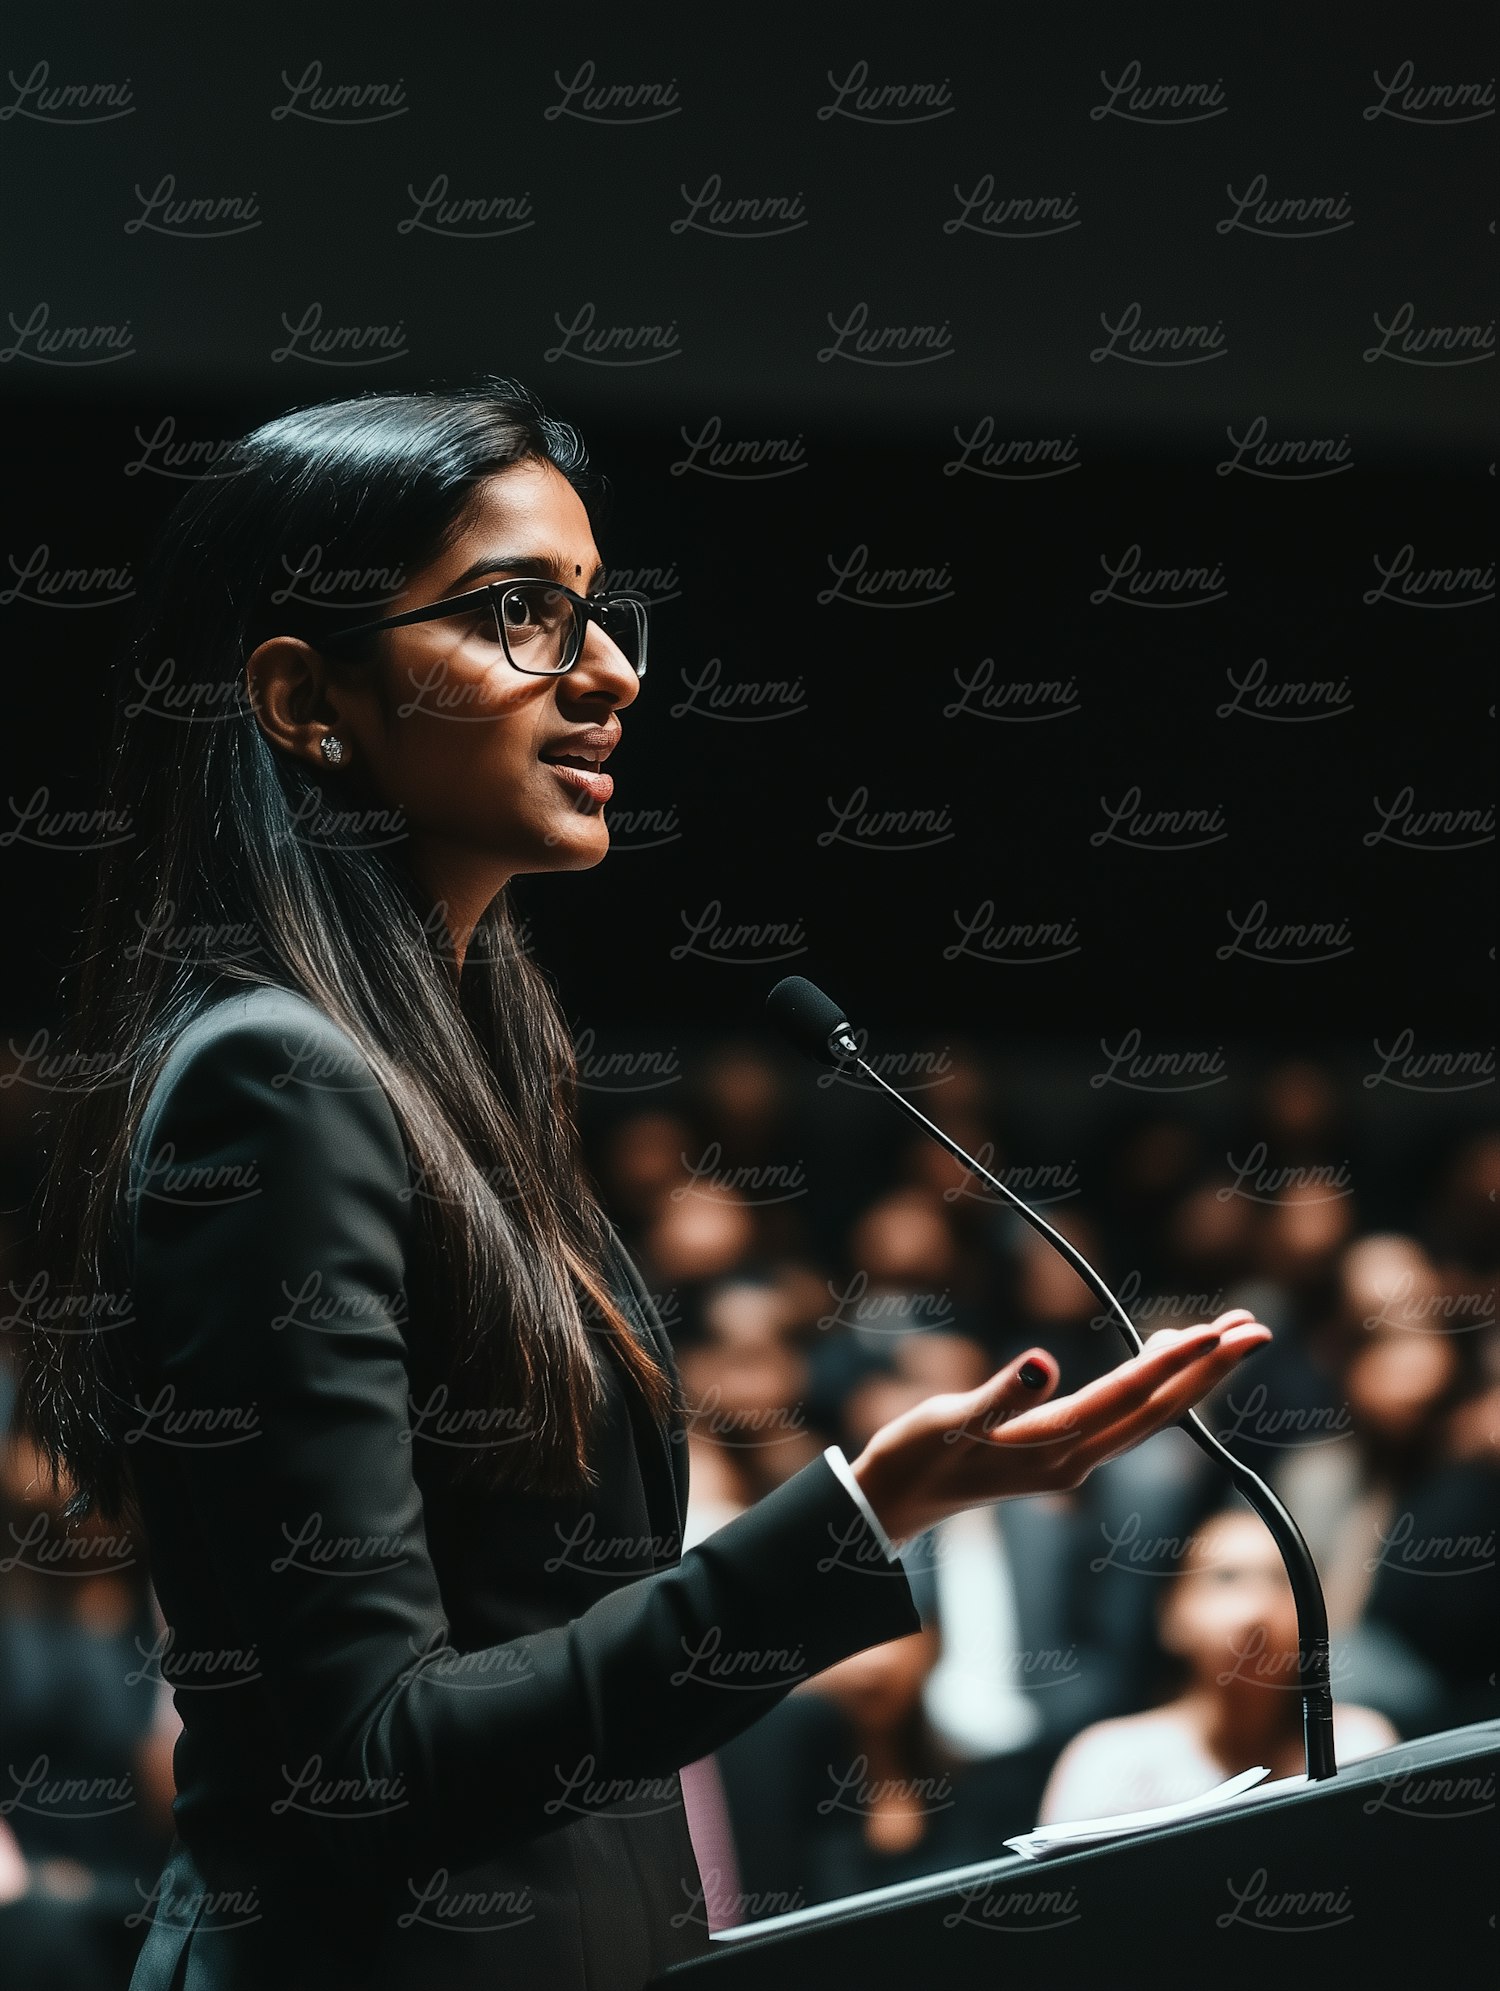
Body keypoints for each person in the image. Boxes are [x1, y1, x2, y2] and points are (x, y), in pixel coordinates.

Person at [13, 380, 1272, 1991]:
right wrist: (864, 1515)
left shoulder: (457, 1067)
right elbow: (368, 1750)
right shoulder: (280, 1080)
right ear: (303, 697)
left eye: (599, 613)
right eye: (517, 612)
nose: (606, 671)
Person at [1036, 1507, 1396, 1825]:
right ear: (1172, 1615)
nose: (1256, 1609)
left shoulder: (1358, 1744)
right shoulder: (1106, 1762)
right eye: (1226, 1578)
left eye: (1281, 1580)